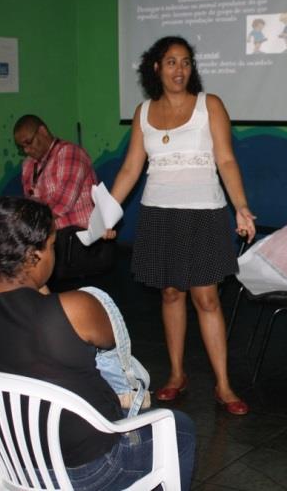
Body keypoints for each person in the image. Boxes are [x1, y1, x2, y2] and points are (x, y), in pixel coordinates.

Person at [0, 196, 196, 490]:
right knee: (181, 429)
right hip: (94, 467)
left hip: (19, 466)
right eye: (51, 246)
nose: (55, 255)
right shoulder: (73, 308)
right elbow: (110, 339)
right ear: (33, 256)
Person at [108, 36, 256, 415]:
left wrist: (241, 207)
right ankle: (176, 375)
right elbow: (130, 169)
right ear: (156, 67)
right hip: (159, 213)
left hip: (204, 212)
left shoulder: (210, 106)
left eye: (186, 62)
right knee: (171, 294)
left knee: (206, 298)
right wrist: (107, 213)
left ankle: (223, 385)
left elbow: (226, 160)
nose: (180, 70)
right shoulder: (143, 113)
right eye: (171, 62)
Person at [13, 115, 113, 284]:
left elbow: (61, 205)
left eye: (29, 142)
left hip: (79, 243)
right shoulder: (29, 165)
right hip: (50, 240)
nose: (26, 151)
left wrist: (27, 227)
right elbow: (31, 205)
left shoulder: (70, 153)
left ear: (43, 131)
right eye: (22, 147)